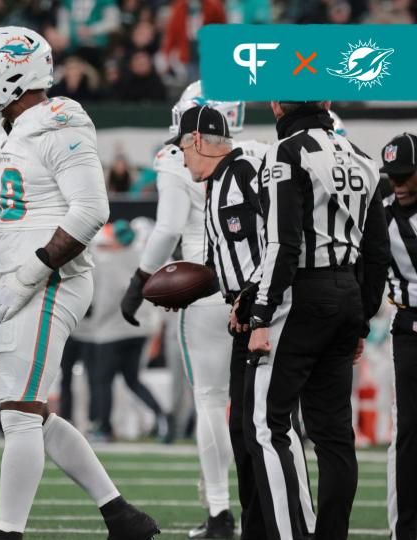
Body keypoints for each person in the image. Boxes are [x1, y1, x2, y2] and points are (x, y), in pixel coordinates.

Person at [0, 26, 158, 539]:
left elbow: (93, 209)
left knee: (21, 415)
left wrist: (29, 273)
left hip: (51, 279)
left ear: (15, 73)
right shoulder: (8, 126)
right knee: (31, 413)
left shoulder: (58, 121)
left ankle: (7, 534)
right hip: (24, 277)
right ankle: (121, 515)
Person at [246, 101, 390, 540]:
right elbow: (377, 253)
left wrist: (260, 314)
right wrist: (361, 318)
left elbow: (283, 243)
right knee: (333, 434)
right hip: (347, 293)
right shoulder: (363, 158)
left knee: (267, 426)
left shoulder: (286, 152)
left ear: (276, 105)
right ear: (326, 103)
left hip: (303, 295)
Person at [172, 105, 315, 539]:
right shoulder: (219, 181)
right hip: (245, 315)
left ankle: (290, 528)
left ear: (198, 140)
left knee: (266, 429)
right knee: (243, 430)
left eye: (182, 149)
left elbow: (271, 245)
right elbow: (230, 259)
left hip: (267, 316)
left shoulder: (239, 174)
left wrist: (257, 310)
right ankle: (259, 527)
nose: (181, 159)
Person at [120, 81, 248, 537]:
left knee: (212, 402)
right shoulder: (256, 151)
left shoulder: (175, 157)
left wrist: (138, 283)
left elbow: (168, 225)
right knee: (257, 404)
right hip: (253, 289)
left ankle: (219, 511)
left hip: (204, 288)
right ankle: (267, 504)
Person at [85, 221, 166, 441]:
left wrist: (95, 323)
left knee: (102, 381)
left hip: (112, 331)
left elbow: (109, 298)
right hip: (139, 329)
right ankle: (162, 416)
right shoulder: (143, 258)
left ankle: (104, 428)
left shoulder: (111, 261)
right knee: (132, 379)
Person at [379, 133, 417, 539]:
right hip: (409, 330)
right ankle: (405, 531)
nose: (399, 183)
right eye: (393, 176)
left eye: (406, 175)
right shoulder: (382, 215)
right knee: (408, 436)